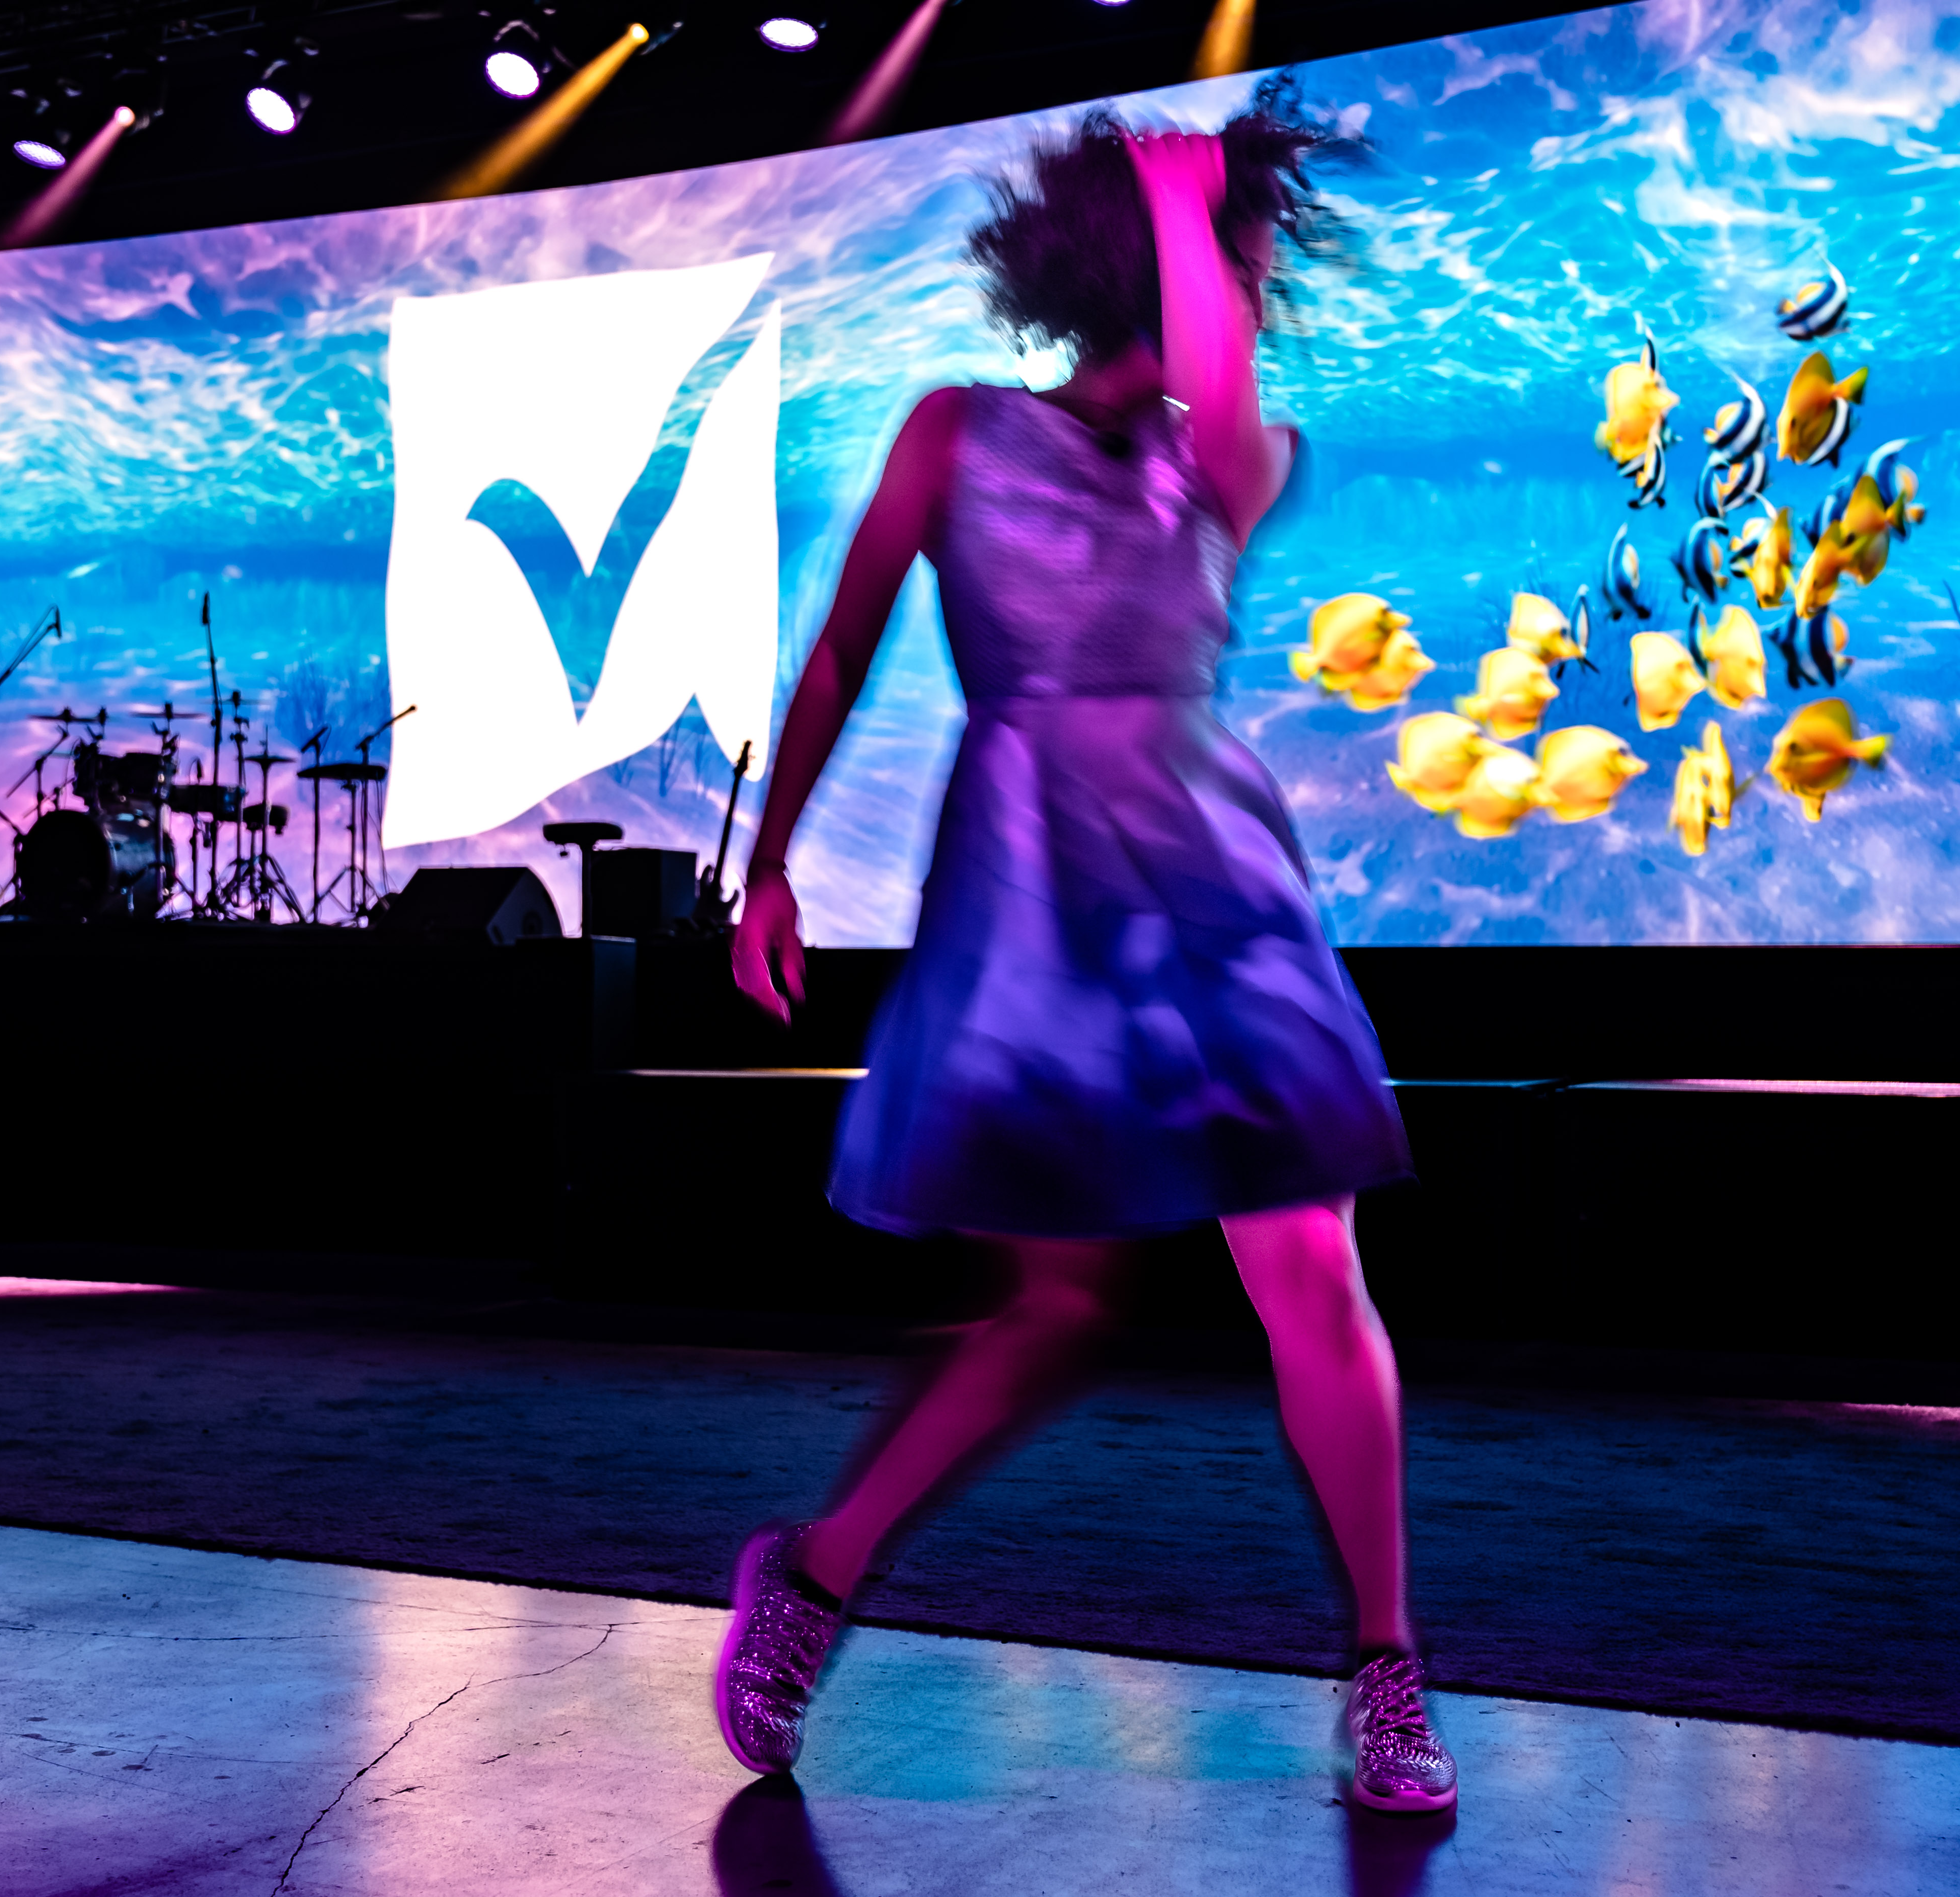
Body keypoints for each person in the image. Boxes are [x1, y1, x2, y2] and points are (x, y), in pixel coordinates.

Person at [717, 102, 1455, 1816]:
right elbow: (838, 653)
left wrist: (1194, 216)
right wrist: (769, 871)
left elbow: (1209, 373)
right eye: (1240, 270)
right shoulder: (955, 435)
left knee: (1308, 1265)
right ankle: (814, 1575)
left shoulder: (1242, 459)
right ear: (1129, 269)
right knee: (1058, 1305)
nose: (1255, 302)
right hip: (1033, 886)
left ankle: (1387, 1669)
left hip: (1212, 879)